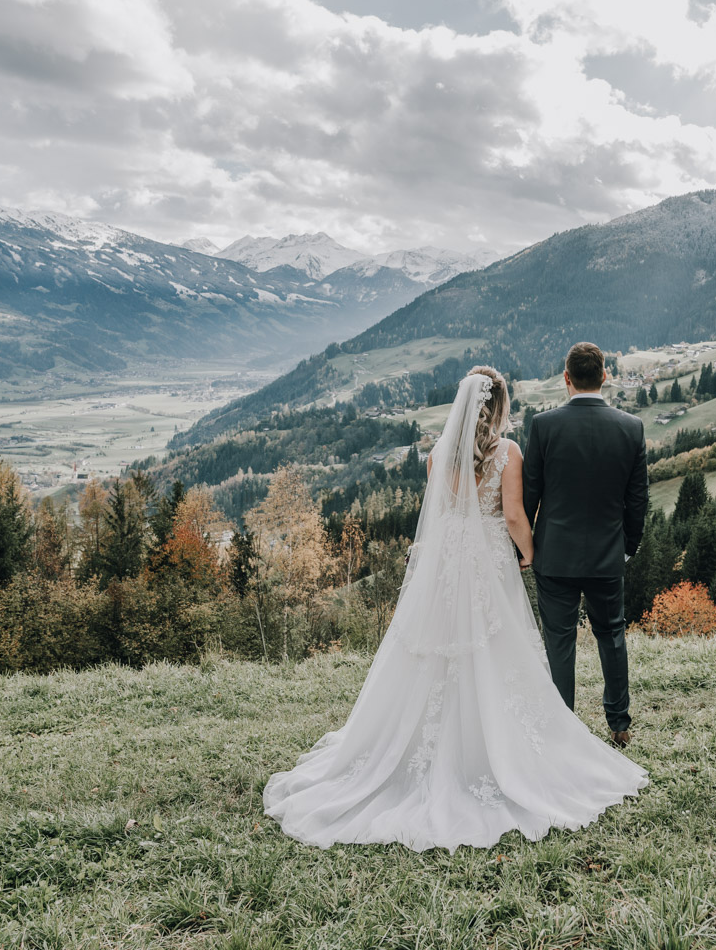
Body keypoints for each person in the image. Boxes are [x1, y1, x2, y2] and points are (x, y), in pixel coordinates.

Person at [262, 365, 647, 852]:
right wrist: (531, 555)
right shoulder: (508, 454)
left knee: (435, 651)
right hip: (487, 564)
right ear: (499, 406)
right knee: (495, 647)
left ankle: (419, 750)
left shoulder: (436, 456)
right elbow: (512, 516)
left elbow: (440, 516)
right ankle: (508, 745)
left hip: (445, 567)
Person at [522, 342, 648, 747]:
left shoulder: (543, 425)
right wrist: (627, 545)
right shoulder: (631, 428)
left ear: (566, 378)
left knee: (559, 640)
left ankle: (562, 728)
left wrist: (526, 545)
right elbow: (637, 499)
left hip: (553, 555)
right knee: (612, 635)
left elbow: (530, 495)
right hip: (607, 555)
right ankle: (619, 724)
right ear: (605, 376)